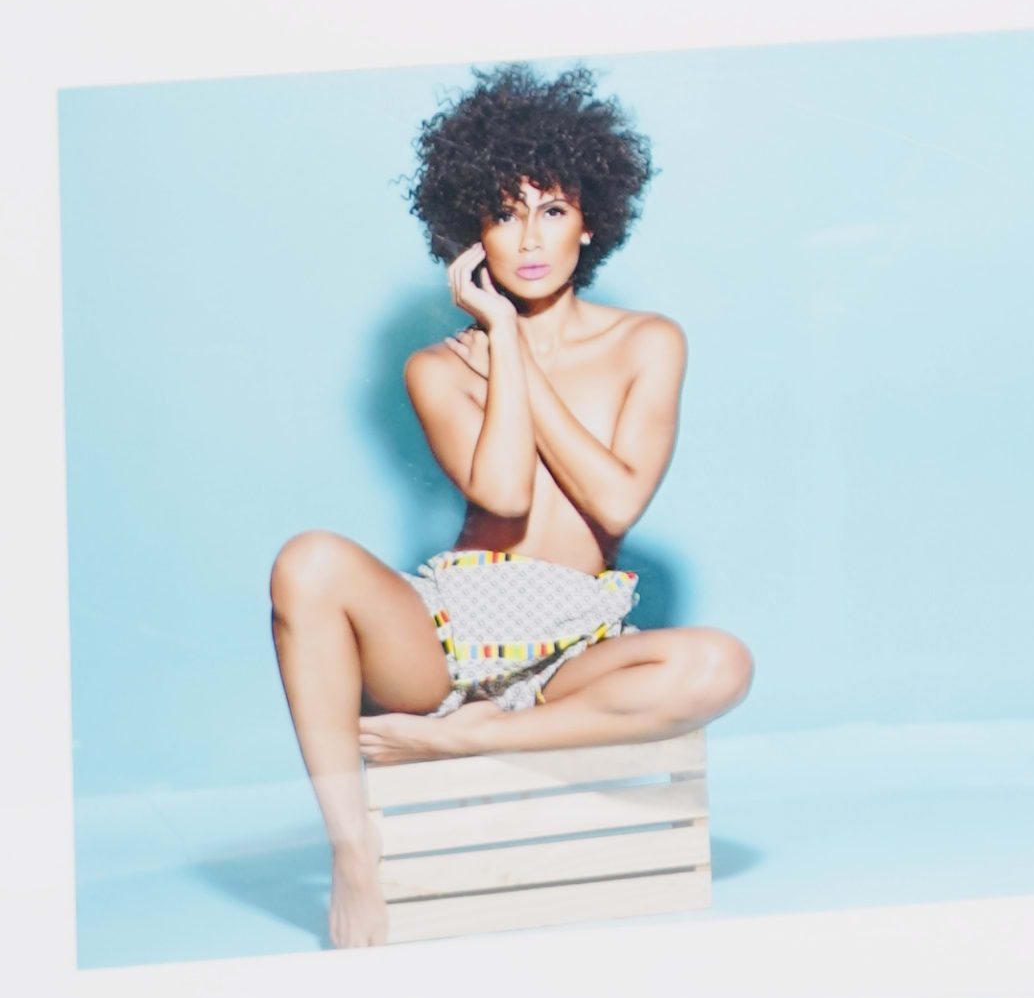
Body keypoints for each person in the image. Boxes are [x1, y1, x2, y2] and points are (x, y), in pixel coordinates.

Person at [265, 58, 752, 952]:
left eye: (553, 209)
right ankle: (352, 851)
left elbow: (615, 498)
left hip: (576, 652)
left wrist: (519, 357)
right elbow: (503, 491)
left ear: (590, 222)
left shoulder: (649, 343)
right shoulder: (439, 365)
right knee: (307, 560)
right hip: (447, 640)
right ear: (470, 236)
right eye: (503, 212)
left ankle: (469, 743)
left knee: (720, 664)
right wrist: (501, 337)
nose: (529, 238)